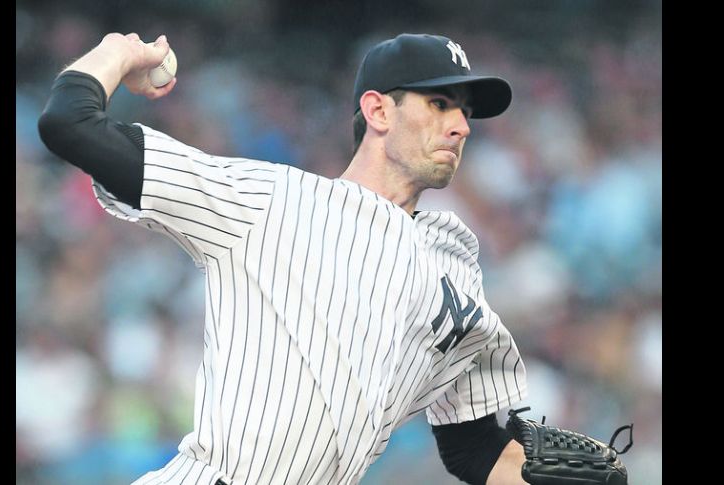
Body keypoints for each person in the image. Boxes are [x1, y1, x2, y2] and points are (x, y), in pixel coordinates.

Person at [38, 31, 530, 485]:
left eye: (465, 112)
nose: (462, 126)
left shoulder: (456, 267)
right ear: (379, 112)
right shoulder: (270, 201)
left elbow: (476, 448)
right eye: (440, 103)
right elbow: (71, 123)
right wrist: (120, 52)